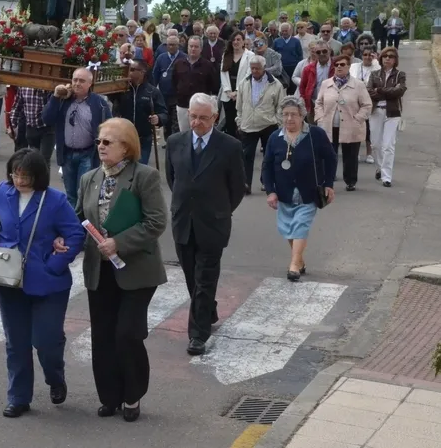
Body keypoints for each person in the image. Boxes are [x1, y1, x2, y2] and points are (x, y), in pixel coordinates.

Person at [0, 149, 85, 419]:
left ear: (38, 175)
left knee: (46, 341)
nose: (19, 181)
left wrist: (54, 264)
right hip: (8, 279)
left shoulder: (54, 200)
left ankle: (55, 378)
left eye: (25, 176)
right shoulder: (2, 192)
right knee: (16, 342)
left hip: (48, 283)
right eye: (15, 175)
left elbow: (75, 233)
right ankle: (18, 397)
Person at [75, 118, 168, 422]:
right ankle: (110, 397)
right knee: (102, 336)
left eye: (107, 142)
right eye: (99, 141)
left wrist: (119, 243)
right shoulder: (89, 178)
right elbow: (79, 219)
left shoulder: (145, 177)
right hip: (99, 271)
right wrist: (61, 240)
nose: (100, 146)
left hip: (136, 269)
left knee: (127, 333)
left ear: (126, 147)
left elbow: (156, 222)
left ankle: (132, 395)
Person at [165, 93, 246, 356]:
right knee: (192, 277)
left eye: (203, 118)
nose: (197, 122)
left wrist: (219, 211)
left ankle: (198, 335)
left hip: (213, 224)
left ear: (215, 118)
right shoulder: (175, 142)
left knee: (205, 279)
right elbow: (172, 179)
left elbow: (236, 188)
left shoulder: (230, 146)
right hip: (183, 223)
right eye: (193, 117)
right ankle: (207, 310)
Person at [262, 96, 337, 281]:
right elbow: (267, 166)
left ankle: (294, 266)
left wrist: (328, 184)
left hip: (309, 192)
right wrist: (270, 191)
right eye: (285, 114)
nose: (289, 119)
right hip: (284, 193)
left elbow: (331, 158)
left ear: (302, 115)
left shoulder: (316, 135)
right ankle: (300, 260)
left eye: (293, 115)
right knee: (288, 229)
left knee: (300, 227)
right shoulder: (275, 137)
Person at [43, 67, 112, 205]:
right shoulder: (62, 100)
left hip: (87, 154)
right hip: (67, 153)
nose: (77, 84)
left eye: (81, 81)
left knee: (84, 193)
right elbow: (47, 119)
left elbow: (109, 128)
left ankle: (83, 223)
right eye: (75, 80)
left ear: (89, 84)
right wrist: (56, 97)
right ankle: (73, 224)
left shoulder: (99, 103)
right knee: (71, 194)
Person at [314, 55, 373, 192]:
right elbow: (318, 103)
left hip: (350, 126)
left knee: (350, 156)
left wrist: (358, 118)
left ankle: (350, 181)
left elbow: (367, 105)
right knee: (328, 155)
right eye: (336, 65)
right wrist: (320, 118)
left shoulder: (358, 85)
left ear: (348, 67)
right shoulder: (326, 83)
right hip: (329, 125)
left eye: (342, 64)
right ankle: (328, 180)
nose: (339, 67)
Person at [236, 56, 284, 194]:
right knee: (246, 156)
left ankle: (266, 182)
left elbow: (280, 106)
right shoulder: (244, 83)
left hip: (268, 124)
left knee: (269, 156)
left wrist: (277, 121)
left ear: (264, 68)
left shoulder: (275, 84)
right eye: (252, 68)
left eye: (257, 68)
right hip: (248, 125)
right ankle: (245, 184)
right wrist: (239, 120)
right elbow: (239, 105)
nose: (254, 71)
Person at [108, 59, 167, 164]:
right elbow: (106, 91)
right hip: (123, 137)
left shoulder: (152, 92)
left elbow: (164, 113)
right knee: (123, 169)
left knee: (139, 168)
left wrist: (158, 118)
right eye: (128, 69)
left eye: (132, 69)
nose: (129, 71)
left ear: (142, 72)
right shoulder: (121, 89)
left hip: (143, 139)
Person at [367, 47, 406, 187]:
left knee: (388, 145)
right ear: (381, 58)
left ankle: (386, 176)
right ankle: (380, 167)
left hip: (392, 112)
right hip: (376, 111)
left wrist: (380, 90)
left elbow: (400, 91)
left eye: (391, 56)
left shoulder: (400, 75)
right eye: (385, 56)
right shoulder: (374, 74)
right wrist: (388, 92)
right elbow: (369, 91)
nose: (388, 58)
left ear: (395, 60)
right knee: (375, 144)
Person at [172, 36, 220, 132]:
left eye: (196, 47)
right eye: (191, 46)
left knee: (200, 132)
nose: (193, 49)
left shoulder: (208, 65)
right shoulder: (178, 64)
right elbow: (174, 82)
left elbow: (214, 86)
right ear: (187, 47)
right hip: (183, 106)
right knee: (185, 134)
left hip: (201, 108)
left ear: (201, 49)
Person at [151, 35, 186, 141]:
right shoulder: (161, 58)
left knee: (176, 120)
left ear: (178, 45)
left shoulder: (183, 57)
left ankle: (174, 140)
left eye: (173, 45)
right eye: (169, 45)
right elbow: (155, 75)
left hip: (177, 95)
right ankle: (168, 140)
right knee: (167, 119)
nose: (171, 47)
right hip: (164, 94)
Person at [219, 30, 254, 138]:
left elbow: (249, 74)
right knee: (230, 123)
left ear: (243, 42)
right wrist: (228, 91)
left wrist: (238, 91)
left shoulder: (250, 55)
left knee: (241, 123)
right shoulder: (226, 54)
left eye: (238, 39)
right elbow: (223, 73)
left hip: (243, 93)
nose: (236, 42)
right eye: (233, 40)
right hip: (228, 94)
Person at [10, 87, 55, 166]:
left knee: (44, 160)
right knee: (34, 160)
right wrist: (13, 126)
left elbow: (54, 106)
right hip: (31, 127)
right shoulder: (23, 87)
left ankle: (43, 178)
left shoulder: (48, 86)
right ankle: (36, 178)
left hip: (48, 128)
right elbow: (17, 106)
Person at [351, 47, 380, 164]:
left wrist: (376, 61)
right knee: (356, 128)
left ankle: (369, 153)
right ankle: (356, 152)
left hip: (370, 102)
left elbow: (377, 84)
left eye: (370, 55)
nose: (368, 57)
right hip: (355, 101)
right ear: (361, 56)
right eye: (365, 55)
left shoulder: (377, 68)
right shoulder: (354, 67)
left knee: (369, 129)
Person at [297, 43, 334, 123]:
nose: (321, 54)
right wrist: (306, 101)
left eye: (324, 51)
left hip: (333, 105)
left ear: (330, 51)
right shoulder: (308, 69)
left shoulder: (337, 66)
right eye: (318, 52)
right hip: (314, 105)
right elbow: (302, 87)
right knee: (314, 132)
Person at [272, 22, 303, 95]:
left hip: (293, 67)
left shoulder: (296, 41)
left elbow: (300, 55)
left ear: (290, 31)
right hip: (281, 68)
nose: (284, 32)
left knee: (293, 87)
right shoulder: (276, 41)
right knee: (282, 87)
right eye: (283, 31)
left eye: (286, 30)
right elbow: (273, 54)